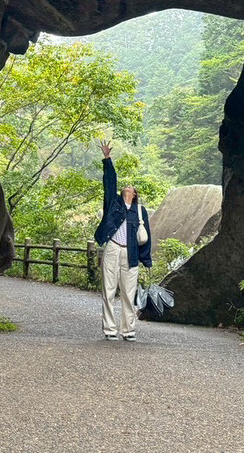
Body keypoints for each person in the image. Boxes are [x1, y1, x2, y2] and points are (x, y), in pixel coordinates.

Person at [94, 139, 152, 341]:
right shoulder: (114, 204)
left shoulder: (140, 211)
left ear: (135, 194)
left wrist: (147, 260)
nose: (127, 187)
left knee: (128, 293)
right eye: (125, 186)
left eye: (131, 187)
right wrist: (107, 159)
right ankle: (110, 329)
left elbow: (147, 238)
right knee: (108, 290)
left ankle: (128, 330)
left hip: (131, 253)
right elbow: (109, 183)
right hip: (112, 249)